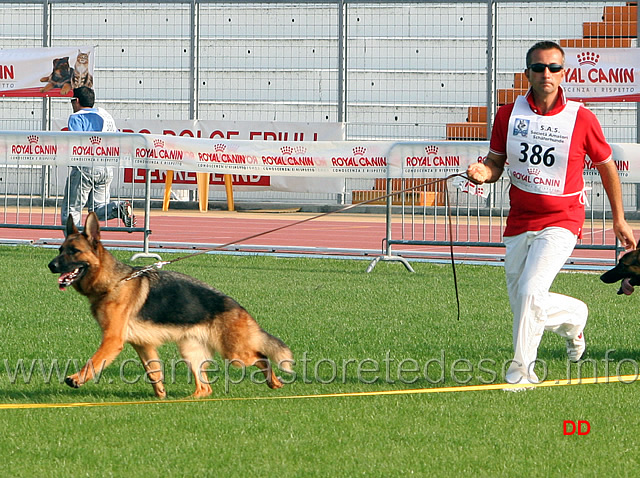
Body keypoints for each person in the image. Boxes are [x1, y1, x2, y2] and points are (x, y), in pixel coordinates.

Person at [466, 41, 636, 388]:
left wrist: (619, 219)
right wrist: (484, 172)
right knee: (524, 306)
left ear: (564, 73)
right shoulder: (508, 114)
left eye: (554, 68)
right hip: (519, 220)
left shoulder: (581, 118)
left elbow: (607, 168)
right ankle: (575, 316)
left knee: (530, 293)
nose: (547, 74)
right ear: (527, 72)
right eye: (539, 67)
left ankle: (520, 375)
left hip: (563, 220)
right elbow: (496, 163)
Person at [62, 86, 135, 231]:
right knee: (98, 209)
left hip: (86, 166)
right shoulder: (105, 115)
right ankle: (117, 208)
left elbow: (75, 142)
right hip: (107, 167)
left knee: (72, 208)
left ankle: (74, 243)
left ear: (76, 101)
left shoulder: (77, 117)